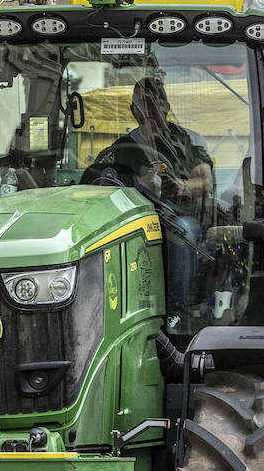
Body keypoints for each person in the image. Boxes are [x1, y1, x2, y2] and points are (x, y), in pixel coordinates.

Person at [82, 75, 215, 325]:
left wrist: (181, 186)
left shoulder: (187, 140)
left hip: (178, 217)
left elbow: (205, 182)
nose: (149, 110)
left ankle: (177, 312)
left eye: (155, 103)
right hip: (135, 219)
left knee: (181, 232)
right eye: (143, 104)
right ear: (133, 110)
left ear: (166, 106)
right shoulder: (121, 148)